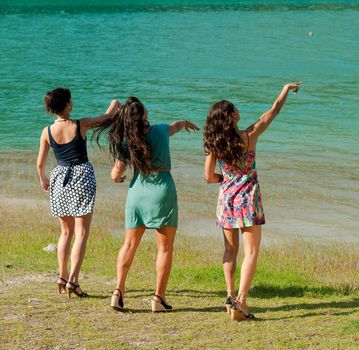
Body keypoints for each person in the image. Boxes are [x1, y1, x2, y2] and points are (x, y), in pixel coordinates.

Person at [203, 82, 301, 321]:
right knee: (252, 251)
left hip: (226, 199)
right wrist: (285, 89)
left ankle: (229, 295)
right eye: (235, 108)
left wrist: (225, 180)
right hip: (248, 200)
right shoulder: (249, 136)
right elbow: (274, 110)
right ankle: (242, 301)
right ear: (232, 116)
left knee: (230, 250)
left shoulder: (215, 145)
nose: (238, 109)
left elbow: (208, 177)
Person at [93, 96, 199, 312]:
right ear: (143, 115)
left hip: (137, 192)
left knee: (129, 245)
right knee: (165, 248)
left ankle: (118, 291)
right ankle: (158, 299)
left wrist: (120, 178)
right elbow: (176, 125)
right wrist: (186, 122)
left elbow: (115, 175)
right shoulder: (160, 131)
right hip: (162, 190)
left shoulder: (127, 140)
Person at [36, 87, 120, 298]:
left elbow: (40, 163)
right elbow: (106, 118)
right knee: (81, 232)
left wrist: (44, 179)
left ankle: (62, 276)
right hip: (81, 176)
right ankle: (73, 280)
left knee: (65, 232)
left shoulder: (46, 131)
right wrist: (114, 104)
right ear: (67, 105)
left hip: (59, 177)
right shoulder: (79, 124)